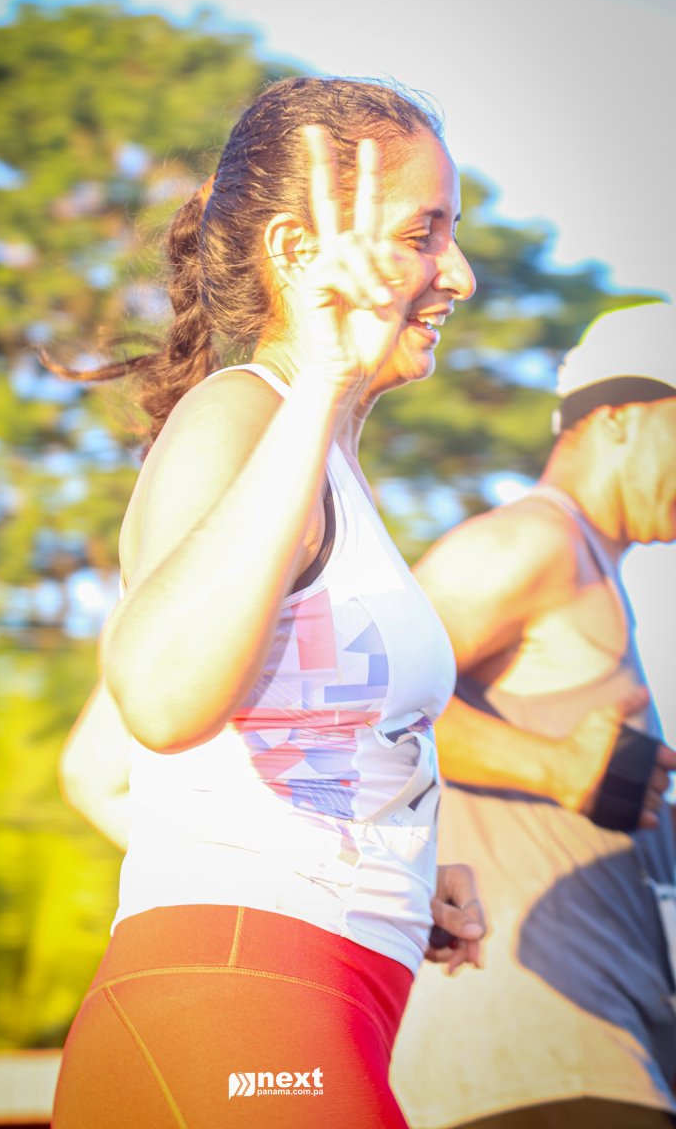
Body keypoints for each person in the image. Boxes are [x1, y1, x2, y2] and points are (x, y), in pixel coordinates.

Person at [50, 76, 486, 1129]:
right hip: (241, 1005)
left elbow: (116, 761)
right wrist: (325, 377)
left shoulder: (315, 456)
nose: (459, 274)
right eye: (421, 234)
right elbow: (160, 698)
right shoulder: (240, 415)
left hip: (285, 1001)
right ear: (296, 251)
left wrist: (394, 858)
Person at [391, 302, 676, 1129]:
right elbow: (363, 702)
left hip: (605, 1055)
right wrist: (551, 767)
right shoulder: (529, 542)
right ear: (619, 416)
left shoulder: (596, 569)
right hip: (532, 1063)